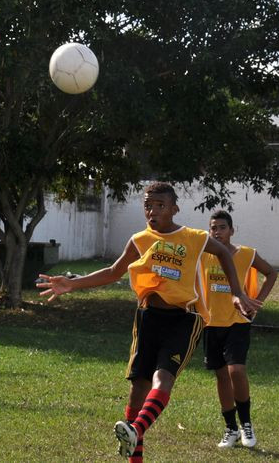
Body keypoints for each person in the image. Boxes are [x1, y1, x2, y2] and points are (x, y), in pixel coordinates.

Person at [37, 182, 262, 462]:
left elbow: (225, 254)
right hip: (148, 317)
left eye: (160, 206)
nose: (152, 211)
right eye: (147, 205)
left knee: (162, 377)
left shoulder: (193, 237)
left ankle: (135, 428)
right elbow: (113, 271)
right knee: (137, 392)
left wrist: (238, 293)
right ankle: (135, 444)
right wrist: (72, 283)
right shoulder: (140, 239)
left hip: (184, 318)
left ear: (174, 209)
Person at [201, 210, 277, 449]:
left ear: (232, 231)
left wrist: (257, 302)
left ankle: (246, 424)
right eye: (213, 228)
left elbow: (271, 273)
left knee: (236, 371)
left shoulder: (245, 254)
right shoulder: (204, 254)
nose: (217, 232)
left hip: (238, 321)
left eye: (222, 227)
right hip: (211, 322)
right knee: (221, 375)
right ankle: (230, 429)